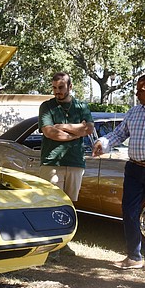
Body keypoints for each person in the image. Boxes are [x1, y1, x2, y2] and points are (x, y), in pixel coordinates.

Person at [92, 74, 145, 271]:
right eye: (136, 90)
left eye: (141, 90)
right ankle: (133, 256)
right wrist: (103, 143)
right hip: (134, 168)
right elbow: (119, 134)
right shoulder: (133, 112)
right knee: (129, 211)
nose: (137, 94)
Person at [38, 72, 95, 202]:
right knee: (50, 203)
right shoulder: (46, 106)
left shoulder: (81, 107)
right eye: (54, 88)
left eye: (61, 87)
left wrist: (61, 126)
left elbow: (89, 129)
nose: (57, 91)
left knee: (70, 205)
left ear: (70, 87)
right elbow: (50, 132)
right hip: (52, 162)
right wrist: (77, 131)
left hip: (75, 162)